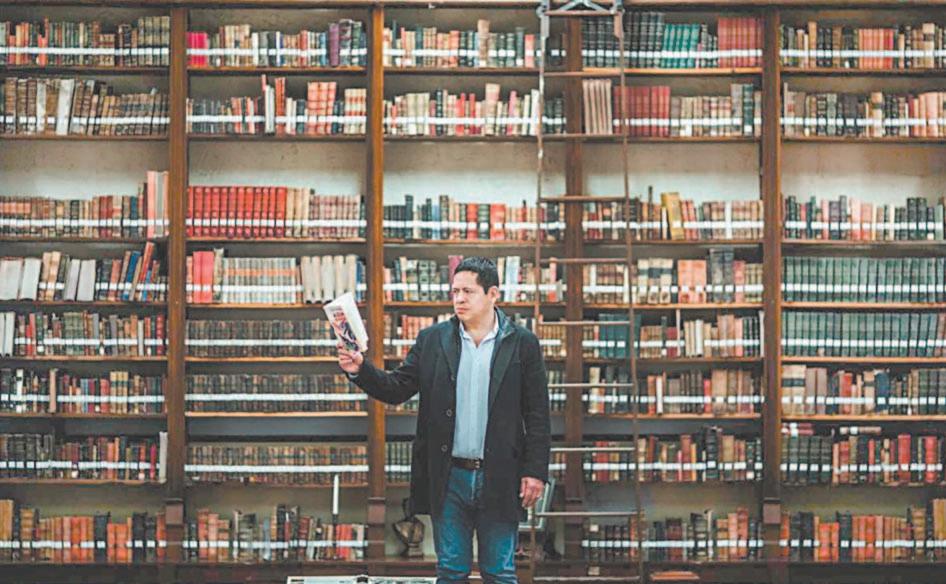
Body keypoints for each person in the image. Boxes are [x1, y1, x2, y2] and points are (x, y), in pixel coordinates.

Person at [337, 256, 550, 584]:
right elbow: (397, 388)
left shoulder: (523, 343)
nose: (459, 299)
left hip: (501, 475)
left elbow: (537, 414)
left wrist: (535, 471)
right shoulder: (432, 340)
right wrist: (360, 370)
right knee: (450, 571)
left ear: (493, 294)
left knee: (500, 572)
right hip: (449, 477)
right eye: (455, 292)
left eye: (468, 291)